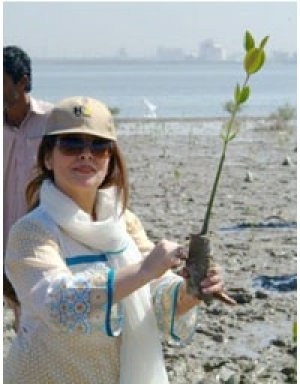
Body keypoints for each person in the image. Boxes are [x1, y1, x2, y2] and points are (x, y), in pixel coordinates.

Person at [4, 96, 235, 384]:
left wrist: (191, 292)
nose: (86, 155)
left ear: (110, 159)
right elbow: (57, 304)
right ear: (48, 157)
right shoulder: (31, 232)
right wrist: (143, 270)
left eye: (99, 146)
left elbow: (156, 297)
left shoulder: (125, 222)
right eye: (72, 144)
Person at [3, 45, 53, 326]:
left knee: (34, 312)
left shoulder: (52, 121)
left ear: (21, 82)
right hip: (4, 235)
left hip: (39, 235)